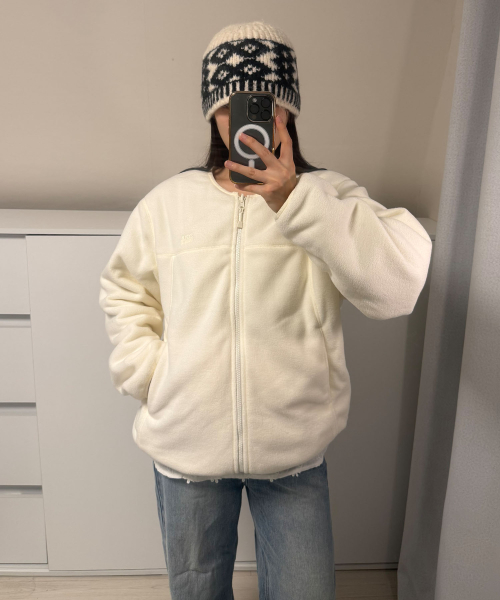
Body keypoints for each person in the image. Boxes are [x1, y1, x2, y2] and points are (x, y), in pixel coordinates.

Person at [99, 20, 433, 600]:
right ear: (213, 112)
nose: (249, 119)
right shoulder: (167, 205)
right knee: (197, 592)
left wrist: (295, 199)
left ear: (288, 112)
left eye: (267, 104)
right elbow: (125, 290)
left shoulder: (327, 196)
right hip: (186, 446)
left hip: (293, 452)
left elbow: (398, 286)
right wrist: (151, 373)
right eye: (232, 105)